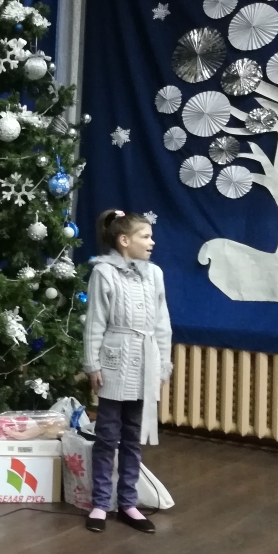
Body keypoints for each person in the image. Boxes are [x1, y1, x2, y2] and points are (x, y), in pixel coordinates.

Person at [83, 210, 172, 534]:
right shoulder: (103, 273)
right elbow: (95, 323)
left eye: (151, 236)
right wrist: (92, 364)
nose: (152, 242)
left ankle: (128, 503)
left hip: (146, 363)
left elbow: (162, 323)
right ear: (124, 240)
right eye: (145, 236)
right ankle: (100, 503)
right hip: (115, 364)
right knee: (107, 436)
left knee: (133, 437)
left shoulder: (155, 274)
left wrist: (163, 364)